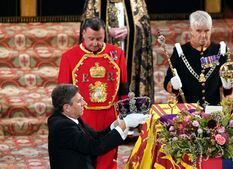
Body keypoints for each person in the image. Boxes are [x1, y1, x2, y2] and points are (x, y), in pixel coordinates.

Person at [57, 17, 128, 169]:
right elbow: (63, 93)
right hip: (82, 116)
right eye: (91, 39)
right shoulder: (69, 56)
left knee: (108, 160)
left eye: (99, 39)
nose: (95, 43)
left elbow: (123, 87)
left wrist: (125, 114)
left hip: (110, 115)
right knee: (82, 160)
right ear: (83, 34)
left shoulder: (117, 54)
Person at [48, 84, 150, 169]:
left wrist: (118, 123)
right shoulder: (63, 127)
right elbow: (95, 147)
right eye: (79, 101)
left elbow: (95, 136)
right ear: (67, 107)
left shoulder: (70, 118)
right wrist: (125, 124)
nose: (84, 103)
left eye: (82, 99)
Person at [80, 0, 154, 101]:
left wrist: (131, 29)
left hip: (129, 49)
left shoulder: (136, 1)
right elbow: (87, 25)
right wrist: (106, 31)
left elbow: (144, 25)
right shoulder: (94, 2)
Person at [164, 10, 233, 106]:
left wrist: (228, 86)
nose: (203, 35)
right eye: (198, 31)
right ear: (191, 30)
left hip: (213, 109)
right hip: (187, 109)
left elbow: (226, 91)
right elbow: (166, 84)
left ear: (212, 29)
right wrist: (173, 85)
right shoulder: (180, 52)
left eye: (207, 31)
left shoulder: (220, 51)